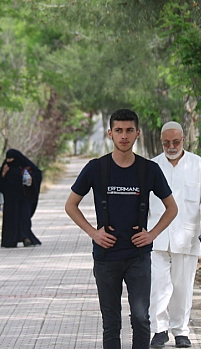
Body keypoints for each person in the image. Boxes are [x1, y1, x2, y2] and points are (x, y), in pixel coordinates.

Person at [65, 109, 179, 349]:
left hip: (137, 256)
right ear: (110, 134)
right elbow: (71, 205)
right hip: (106, 257)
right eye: (119, 131)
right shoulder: (96, 168)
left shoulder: (149, 170)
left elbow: (172, 208)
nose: (124, 136)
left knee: (140, 318)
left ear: (137, 133)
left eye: (129, 130)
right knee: (111, 322)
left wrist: (152, 234)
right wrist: (93, 233)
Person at [148, 122, 201, 348]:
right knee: (158, 285)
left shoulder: (197, 165)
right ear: (161, 142)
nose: (171, 146)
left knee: (182, 287)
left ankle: (181, 331)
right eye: (167, 143)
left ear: (183, 140)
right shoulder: (152, 167)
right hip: (156, 237)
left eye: (175, 142)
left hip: (186, 238)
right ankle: (159, 330)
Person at [0, 149, 42, 248]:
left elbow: (37, 173)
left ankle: (26, 238)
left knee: (24, 218)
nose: (9, 161)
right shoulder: (6, 167)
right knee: (11, 219)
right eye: (7, 158)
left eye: (11, 158)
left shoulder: (25, 165)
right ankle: (10, 241)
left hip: (24, 197)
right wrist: (3, 174)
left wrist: (31, 178)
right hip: (10, 199)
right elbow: (1, 184)